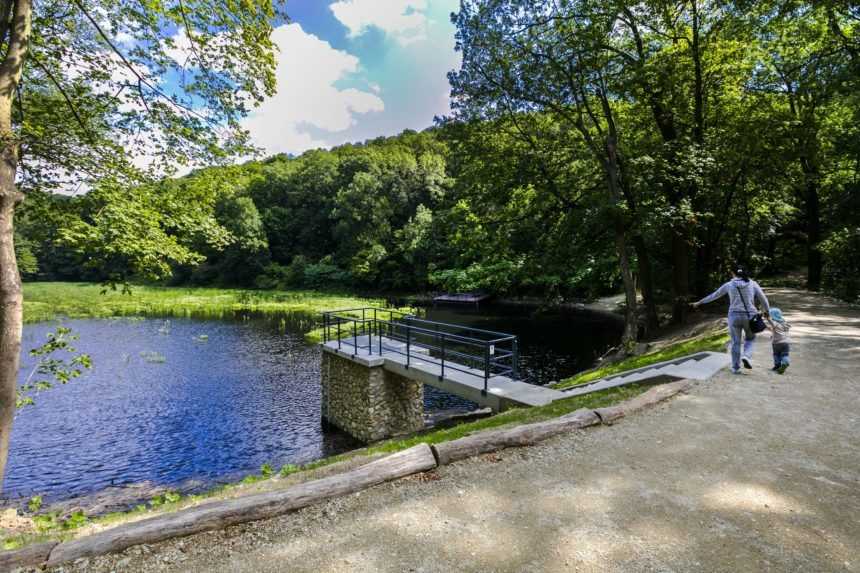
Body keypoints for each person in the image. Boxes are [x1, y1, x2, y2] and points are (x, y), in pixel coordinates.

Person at [691, 266, 770, 374]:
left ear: (733, 273)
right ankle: (746, 356)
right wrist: (767, 312)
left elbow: (714, 295)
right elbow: (763, 299)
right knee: (750, 339)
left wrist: (699, 302)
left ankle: (735, 368)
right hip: (750, 316)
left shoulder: (729, 285)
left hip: (734, 316)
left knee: (736, 342)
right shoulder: (752, 283)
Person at [765, 307, 791, 374]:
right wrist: (769, 329)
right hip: (786, 343)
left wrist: (767, 318)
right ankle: (785, 362)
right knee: (785, 355)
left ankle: (777, 366)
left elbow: (772, 323)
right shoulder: (784, 323)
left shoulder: (775, 323)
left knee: (776, 355)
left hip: (776, 343)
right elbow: (776, 330)